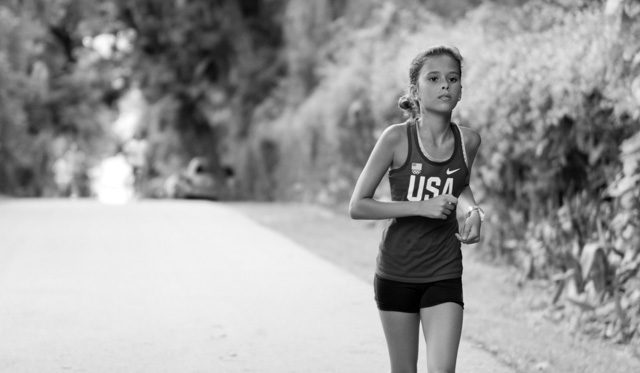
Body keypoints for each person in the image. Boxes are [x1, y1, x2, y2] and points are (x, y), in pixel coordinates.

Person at [349, 45, 484, 373]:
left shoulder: (469, 141)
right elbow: (358, 206)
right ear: (415, 91)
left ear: (461, 90)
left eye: (452, 79)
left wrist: (474, 211)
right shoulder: (396, 139)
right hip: (396, 273)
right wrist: (420, 207)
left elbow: (459, 184)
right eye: (434, 78)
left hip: (444, 271)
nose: (445, 86)